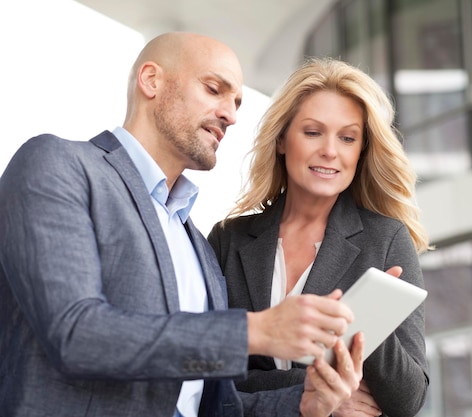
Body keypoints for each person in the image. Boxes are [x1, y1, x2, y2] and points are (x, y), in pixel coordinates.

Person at [0, 32, 365, 417]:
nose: (231, 114)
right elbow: (75, 334)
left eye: (237, 101)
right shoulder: (58, 165)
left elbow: (212, 404)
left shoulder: (199, 247)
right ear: (151, 80)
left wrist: (305, 404)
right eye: (214, 89)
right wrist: (256, 331)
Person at [208, 57, 431, 417]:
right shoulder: (228, 240)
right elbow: (210, 373)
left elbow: (408, 399)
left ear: (361, 151)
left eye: (347, 137)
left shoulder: (386, 239)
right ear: (282, 140)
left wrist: (365, 320)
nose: (330, 150)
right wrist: (317, 393)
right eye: (313, 132)